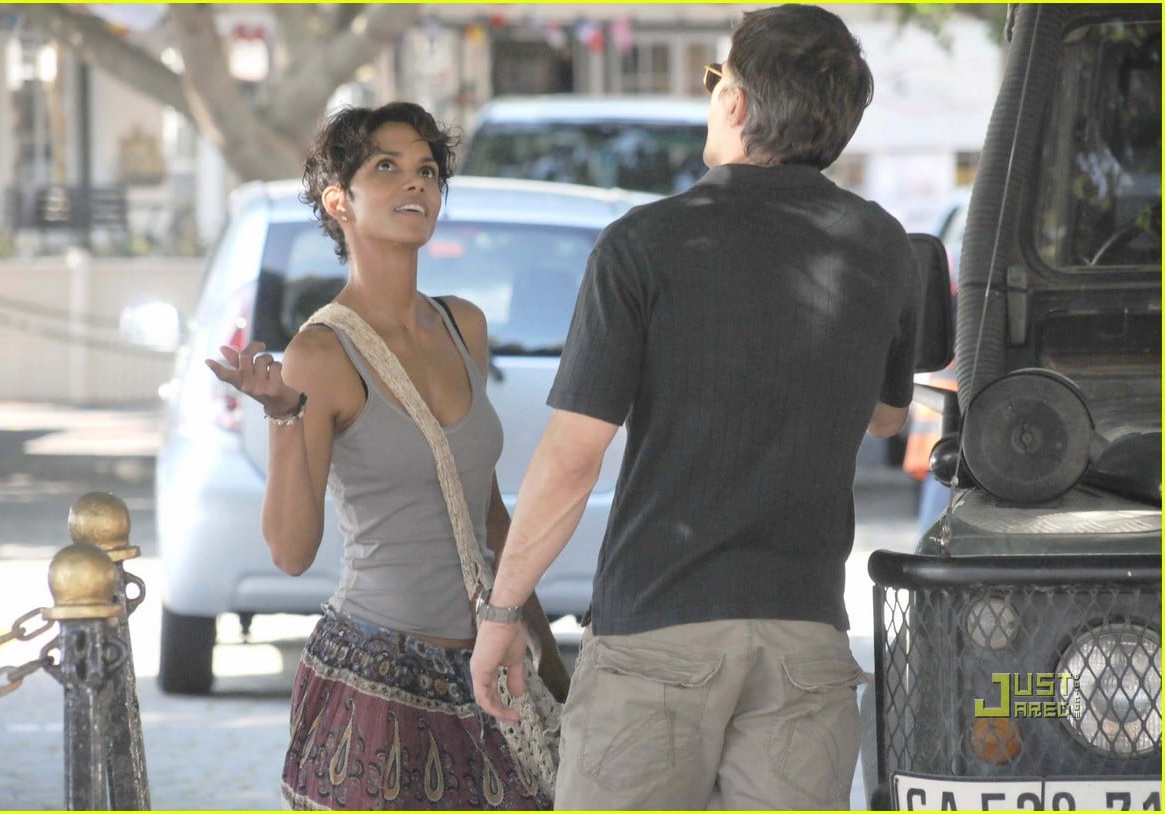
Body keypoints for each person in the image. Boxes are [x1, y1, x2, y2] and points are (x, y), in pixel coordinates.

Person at [470, 6, 919, 810]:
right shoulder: (883, 245)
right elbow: (887, 419)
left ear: (736, 102)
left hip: (657, 628)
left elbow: (572, 459)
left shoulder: (643, 245)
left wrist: (504, 612)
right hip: (805, 635)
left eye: (716, 79)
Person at [207, 101, 569, 810]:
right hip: (376, 680)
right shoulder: (321, 352)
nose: (416, 184)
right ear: (338, 201)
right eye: (387, 167)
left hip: (487, 669)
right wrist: (283, 416)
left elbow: (487, 512)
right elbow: (290, 552)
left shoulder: (463, 324)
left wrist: (543, 646)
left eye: (427, 171)